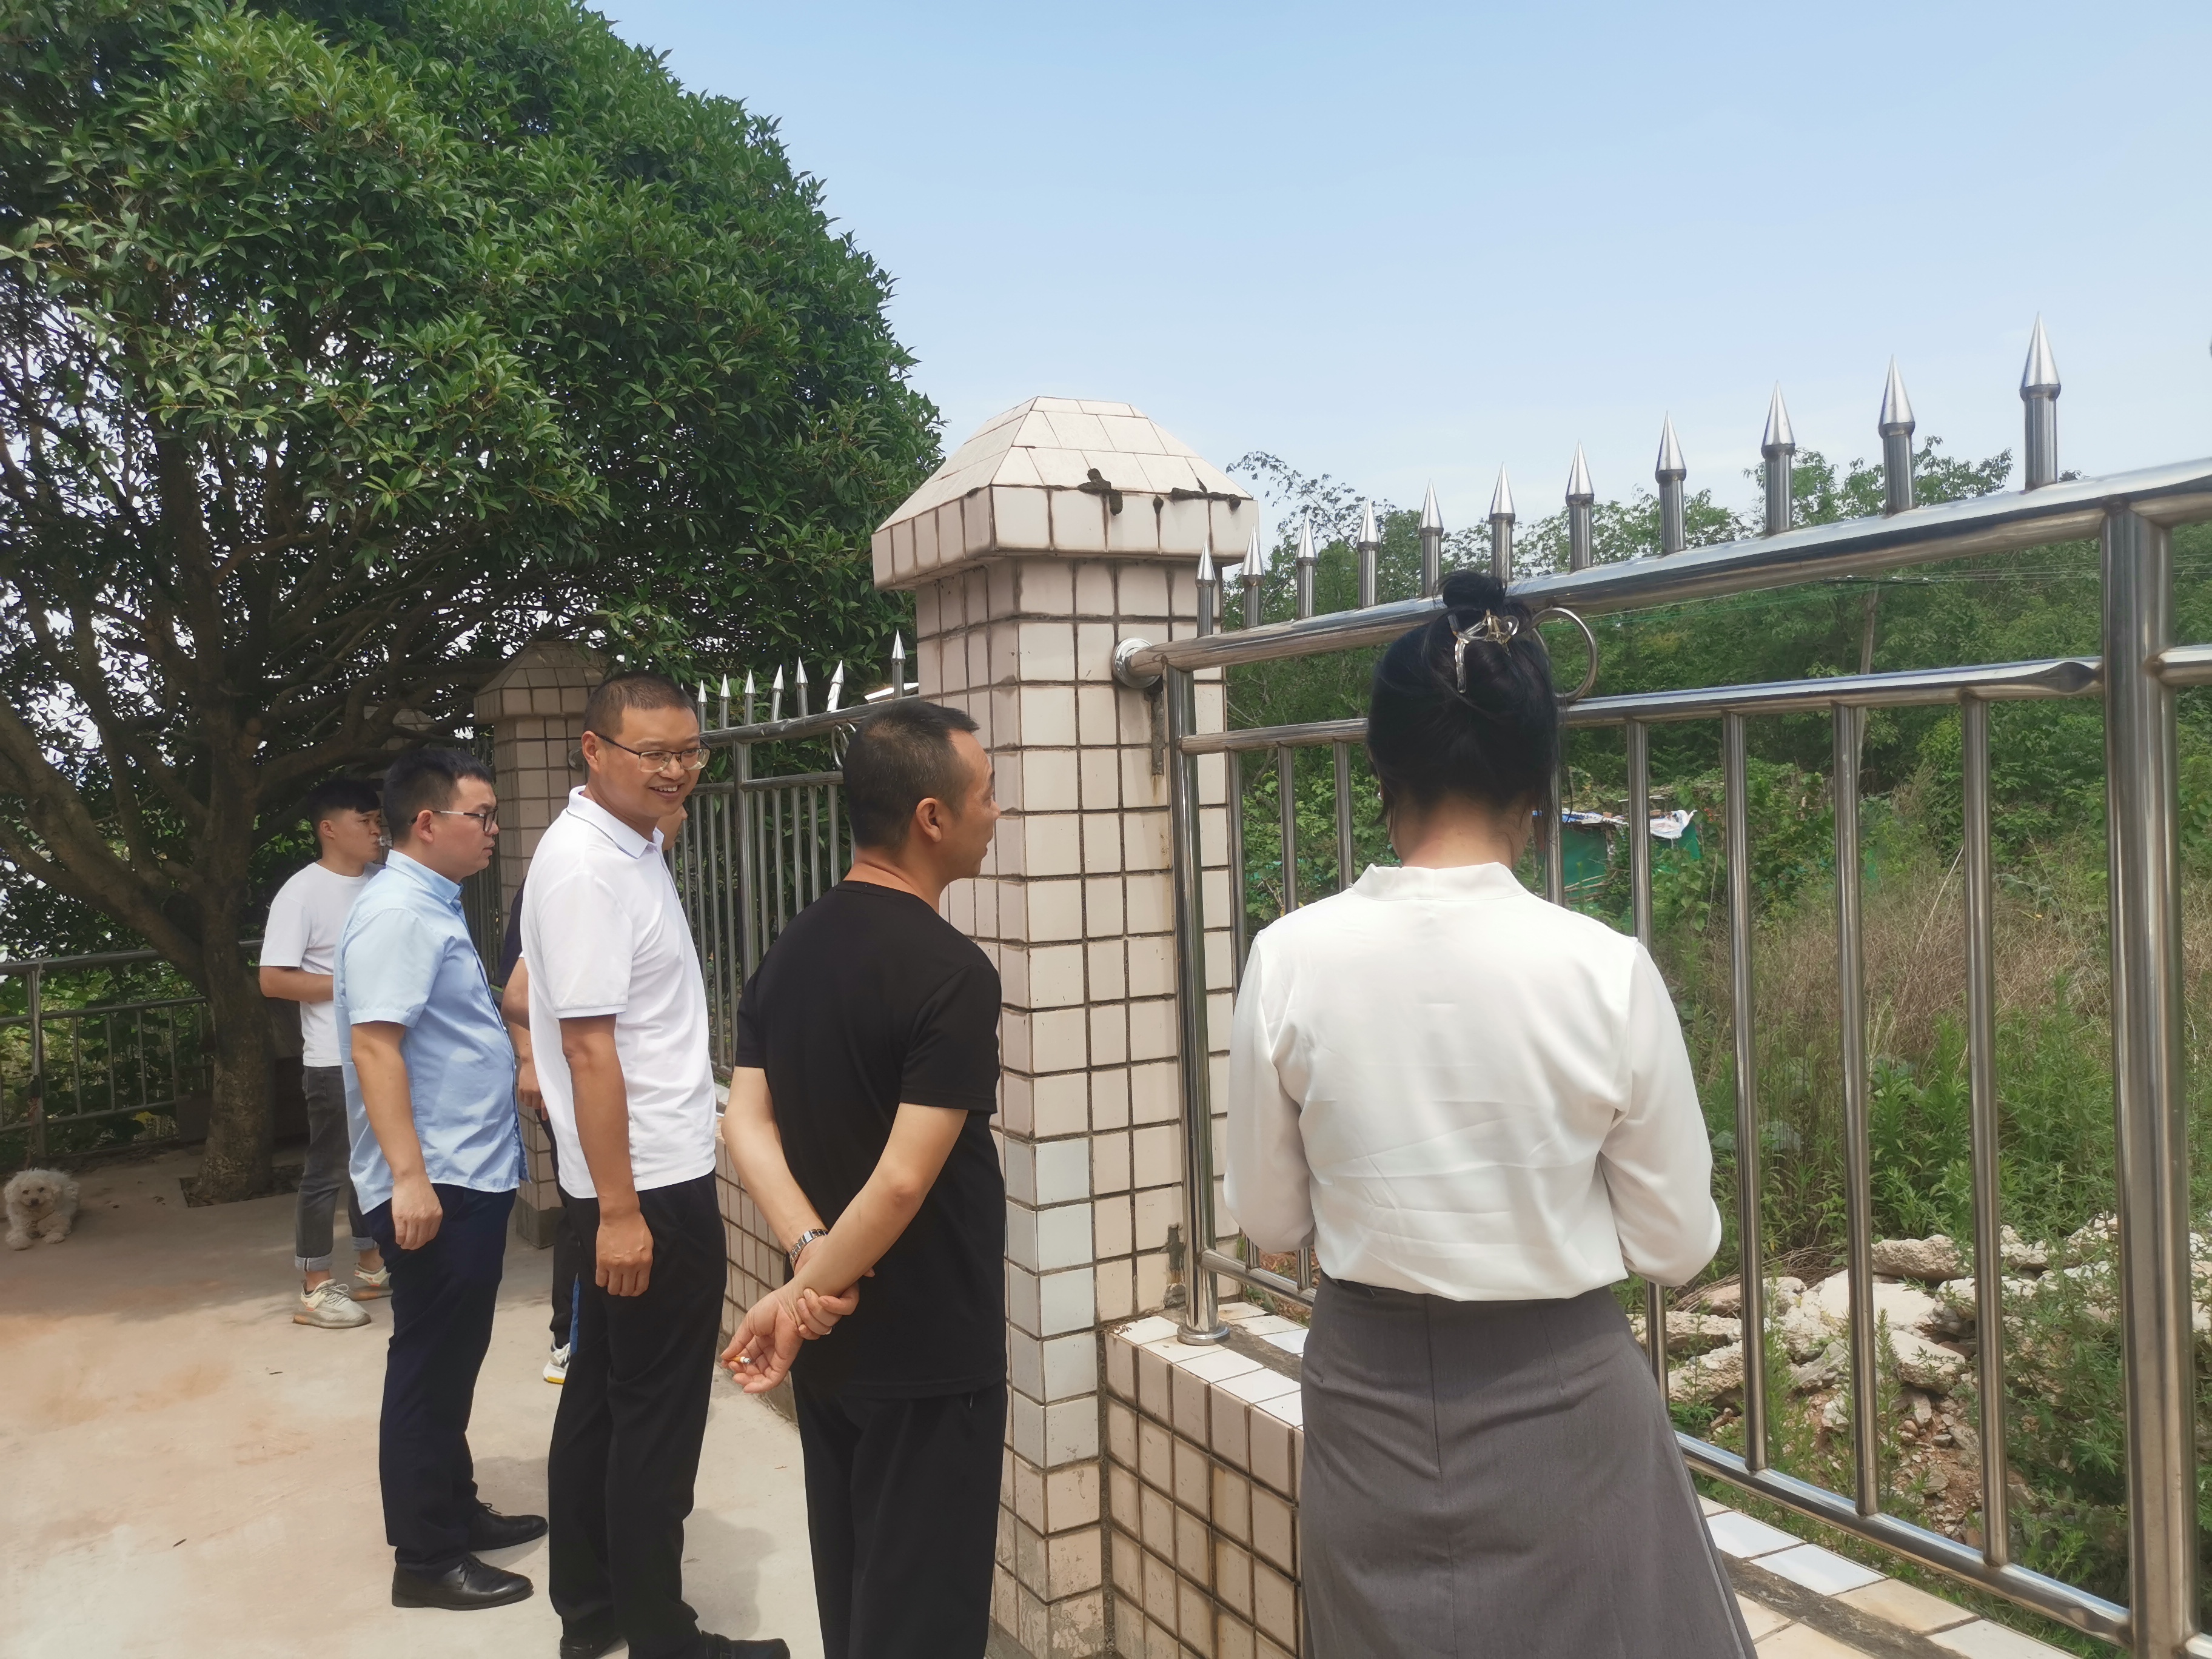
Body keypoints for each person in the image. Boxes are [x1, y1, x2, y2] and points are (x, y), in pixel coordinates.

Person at [1222, 571, 1752, 1659]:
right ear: (1536, 783)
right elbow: (1675, 1245)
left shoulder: (1289, 957)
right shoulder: (1603, 969)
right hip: (1566, 1407)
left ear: (1383, 770)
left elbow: (1269, 1220)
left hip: (1366, 1400)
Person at [720, 698, 1007, 1659]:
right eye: (986, 793)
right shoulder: (952, 972)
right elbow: (901, 1183)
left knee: (855, 1602)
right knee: (921, 1620)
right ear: (931, 816)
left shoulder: (793, 947)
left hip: (835, 1352)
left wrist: (805, 1266)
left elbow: (744, 1123)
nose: (996, 812)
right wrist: (809, 1288)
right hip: (928, 1352)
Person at [521, 673, 789, 1659]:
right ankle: (661, 1637)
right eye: (652, 754)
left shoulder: (617, 847)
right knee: (655, 1418)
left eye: (688, 752)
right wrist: (622, 1212)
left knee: (601, 1399)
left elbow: (560, 1001)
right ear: (593, 751)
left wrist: (656, 822)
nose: (676, 771)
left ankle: (593, 1612)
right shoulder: (587, 871)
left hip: (633, 1180)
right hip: (647, 1190)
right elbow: (590, 1051)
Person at [337, 746, 542, 1612]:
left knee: (454, 1357)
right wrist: (408, 1179)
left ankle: (453, 1508)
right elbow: (375, 1046)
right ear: (427, 823)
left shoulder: (429, 903)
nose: (493, 830)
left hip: (466, 1170)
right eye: (481, 816)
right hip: (438, 1181)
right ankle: (425, 1557)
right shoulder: (398, 914)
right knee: (429, 1364)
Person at [500, 804, 688, 1388]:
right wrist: (533, 1056)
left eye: (689, 762)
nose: (678, 809)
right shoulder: (585, 872)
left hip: (618, 1134)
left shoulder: (632, 867)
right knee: (589, 1237)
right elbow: (524, 997)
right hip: (616, 1134)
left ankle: (575, 1344)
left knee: (607, 1372)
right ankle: (566, 1337)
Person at [260, 776, 388, 1329]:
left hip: (386, 1051)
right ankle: (315, 1286)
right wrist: (351, 987)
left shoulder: (385, 883)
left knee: (374, 1164)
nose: (377, 831)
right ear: (329, 829)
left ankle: (372, 1266)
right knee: (328, 1171)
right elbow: (273, 980)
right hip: (333, 1057)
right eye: (366, 821)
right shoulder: (302, 893)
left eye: (379, 820)